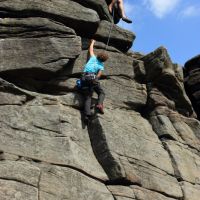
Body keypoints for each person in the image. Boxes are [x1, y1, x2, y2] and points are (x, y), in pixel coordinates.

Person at [80, 39, 109, 122]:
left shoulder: (93, 57)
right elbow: (99, 73)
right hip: (92, 78)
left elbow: (91, 50)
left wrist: (92, 42)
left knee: (88, 97)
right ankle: (99, 104)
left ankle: (87, 115)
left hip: (84, 77)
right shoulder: (101, 65)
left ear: (98, 56)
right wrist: (96, 79)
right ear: (104, 60)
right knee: (101, 92)